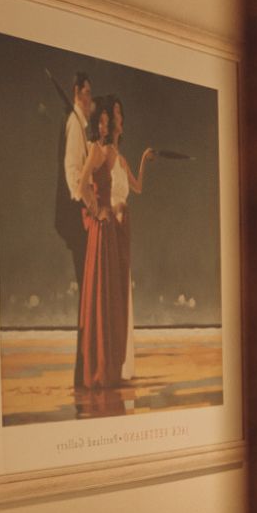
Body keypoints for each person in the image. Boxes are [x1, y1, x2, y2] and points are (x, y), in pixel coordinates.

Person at [74, 99, 129, 390]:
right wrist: (96, 210)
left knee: (107, 294)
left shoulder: (105, 150)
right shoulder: (95, 150)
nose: (106, 126)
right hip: (101, 228)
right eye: (103, 122)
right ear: (96, 124)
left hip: (107, 230)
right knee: (100, 293)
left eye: (109, 121)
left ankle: (107, 367)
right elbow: (81, 186)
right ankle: (99, 369)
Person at [108, 97, 155, 381]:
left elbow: (136, 188)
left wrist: (143, 160)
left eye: (120, 113)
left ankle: (124, 364)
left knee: (124, 285)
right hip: (112, 225)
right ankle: (113, 362)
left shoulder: (122, 158)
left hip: (124, 225)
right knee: (114, 287)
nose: (120, 117)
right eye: (115, 113)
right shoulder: (104, 153)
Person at [55, 72, 91, 385]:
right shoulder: (74, 123)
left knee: (87, 289)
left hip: (80, 215)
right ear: (77, 92)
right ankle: (84, 365)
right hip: (78, 218)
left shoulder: (80, 124)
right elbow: (71, 170)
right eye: (88, 93)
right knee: (85, 288)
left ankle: (87, 362)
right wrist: (83, 204)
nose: (91, 100)